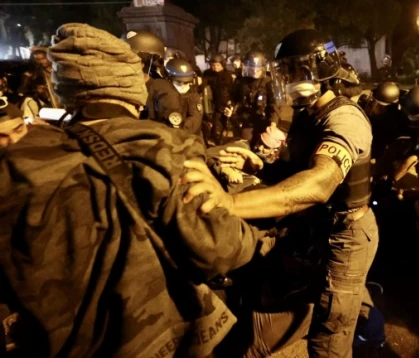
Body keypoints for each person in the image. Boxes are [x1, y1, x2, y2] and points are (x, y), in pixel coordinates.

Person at [0, 24, 260, 356]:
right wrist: (256, 238)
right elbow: (218, 249)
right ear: (131, 85)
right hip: (147, 342)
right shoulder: (162, 146)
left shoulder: (16, 160)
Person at [181, 29, 378, 358]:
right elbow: (297, 171)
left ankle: (367, 319)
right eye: (284, 72)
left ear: (321, 71)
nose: (287, 80)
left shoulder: (344, 119)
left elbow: (318, 184)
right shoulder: (307, 115)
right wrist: (260, 168)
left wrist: (229, 202)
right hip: (315, 228)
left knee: (329, 335)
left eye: (294, 72)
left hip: (345, 234)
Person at [124, 30, 183, 129]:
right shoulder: (117, 88)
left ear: (143, 63)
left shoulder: (163, 91)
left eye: (128, 60)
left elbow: (170, 135)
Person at [164, 57, 204, 134]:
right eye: (179, 82)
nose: (183, 86)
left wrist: (179, 131)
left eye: (187, 82)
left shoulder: (193, 96)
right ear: (169, 80)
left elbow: (195, 119)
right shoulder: (162, 94)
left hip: (187, 138)